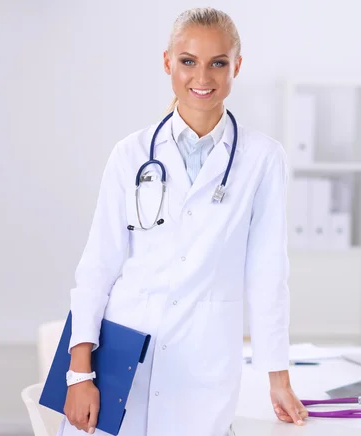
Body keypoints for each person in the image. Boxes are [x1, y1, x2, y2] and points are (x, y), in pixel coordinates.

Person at [58, 7, 308, 436]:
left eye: (218, 63)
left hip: (202, 368)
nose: (202, 77)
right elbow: (98, 267)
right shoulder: (130, 154)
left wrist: (277, 376)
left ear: (237, 67)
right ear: (168, 62)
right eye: (188, 61)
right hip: (120, 356)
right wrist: (79, 373)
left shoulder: (262, 159)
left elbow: (267, 274)